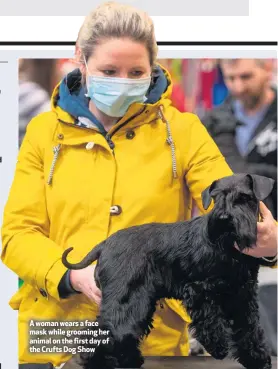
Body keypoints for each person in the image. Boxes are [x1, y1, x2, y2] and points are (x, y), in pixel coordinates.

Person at [1, 4, 277, 367]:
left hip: (155, 339)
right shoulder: (42, 133)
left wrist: (267, 238)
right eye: (109, 71)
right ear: (80, 61)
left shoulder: (184, 130)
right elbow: (16, 233)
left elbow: (225, 191)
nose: (122, 80)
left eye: (136, 72)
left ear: (153, 69)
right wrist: (68, 275)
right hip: (57, 330)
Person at [202, 59, 277, 219]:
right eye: (230, 78)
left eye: (246, 77)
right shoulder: (213, 121)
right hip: (230, 226)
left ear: (268, 69)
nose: (238, 87)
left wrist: (243, 173)